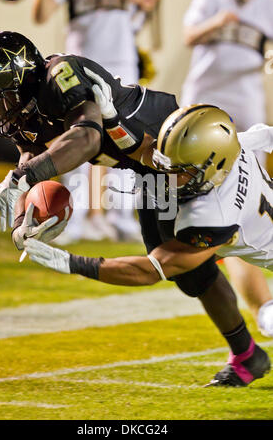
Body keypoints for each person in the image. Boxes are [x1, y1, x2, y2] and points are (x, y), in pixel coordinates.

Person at [0, 31, 270, 387]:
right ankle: (247, 354)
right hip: (151, 160)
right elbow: (35, 152)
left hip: (176, 158)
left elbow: (87, 138)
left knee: (178, 261)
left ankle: (248, 346)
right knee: (191, 274)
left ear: (20, 77)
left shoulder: (61, 75)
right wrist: (24, 217)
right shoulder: (28, 109)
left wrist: (68, 260)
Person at [23, 104, 273, 387]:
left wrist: (70, 262)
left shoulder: (214, 214)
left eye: (183, 171)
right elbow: (266, 136)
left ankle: (249, 352)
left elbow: (152, 269)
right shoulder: (231, 147)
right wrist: (113, 120)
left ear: (214, 166)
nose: (171, 177)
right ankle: (247, 355)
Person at [181, 0, 273, 340]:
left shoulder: (266, 4)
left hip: (247, 102)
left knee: (249, 200)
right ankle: (263, 308)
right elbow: (188, 36)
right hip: (205, 102)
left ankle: (263, 310)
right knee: (217, 205)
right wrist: (218, 22)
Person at [32, 0, 156, 243]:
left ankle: (121, 220)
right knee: (79, 136)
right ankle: (73, 221)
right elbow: (40, 14)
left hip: (122, 65)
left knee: (126, 141)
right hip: (80, 66)